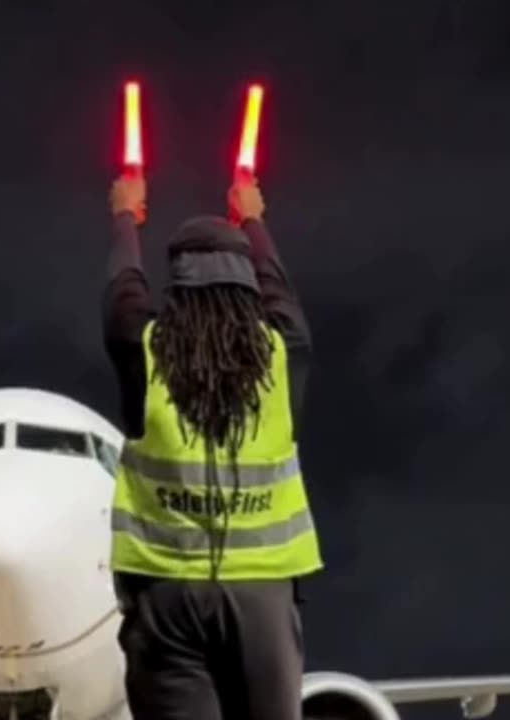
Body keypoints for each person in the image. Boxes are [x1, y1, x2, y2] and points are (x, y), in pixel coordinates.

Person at [102, 171, 324, 720]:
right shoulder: (280, 353)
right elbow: (280, 292)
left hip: (167, 595)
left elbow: (124, 295)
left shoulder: (147, 351)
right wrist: (252, 218)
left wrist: (126, 216)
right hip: (261, 596)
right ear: (247, 282)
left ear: (175, 286)